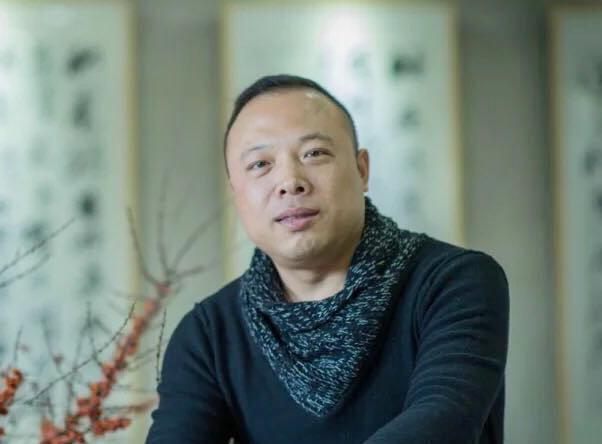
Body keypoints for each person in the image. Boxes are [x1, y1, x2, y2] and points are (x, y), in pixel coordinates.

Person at [146, 74, 509, 444]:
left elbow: (442, 422)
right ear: (236, 194)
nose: (290, 181)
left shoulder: (454, 282)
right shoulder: (208, 334)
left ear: (362, 169)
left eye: (314, 153)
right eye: (260, 164)